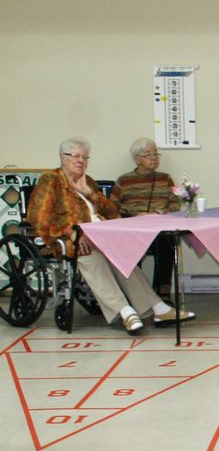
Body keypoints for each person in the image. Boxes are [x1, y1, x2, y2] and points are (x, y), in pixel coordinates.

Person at [27, 138, 194, 334]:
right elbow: (38, 217)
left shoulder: (88, 181)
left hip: (101, 235)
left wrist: (89, 193)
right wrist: (69, 232)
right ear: (62, 158)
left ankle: (158, 309)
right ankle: (125, 312)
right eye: (76, 156)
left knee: (122, 259)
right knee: (92, 257)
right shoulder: (50, 180)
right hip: (72, 240)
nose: (81, 161)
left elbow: (113, 211)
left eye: (85, 157)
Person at [109, 137, 180, 300]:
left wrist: (161, 212)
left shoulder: (165, 179)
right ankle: (135, 292)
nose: (154, 157)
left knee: (167, 239)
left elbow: (176, 204)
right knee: (128, 243)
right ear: (137, 159)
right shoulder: (124, 180)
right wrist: (134, 215)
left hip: (159, 228)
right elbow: (112, 207)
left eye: (156, 153)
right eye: (148, 154)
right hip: (134, 228)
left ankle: (163, 291)